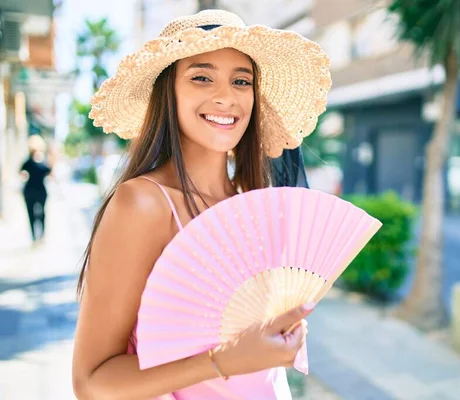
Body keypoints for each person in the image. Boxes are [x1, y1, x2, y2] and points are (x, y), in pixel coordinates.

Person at [72, 9, 331, 400]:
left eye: (241, 81)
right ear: (168, 92)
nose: (226, 96)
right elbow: (91, 382)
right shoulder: (145, 204)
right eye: (201, 77)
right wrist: (222, 361)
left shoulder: (250, 205)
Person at [20, 135, 52, 244]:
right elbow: (21, 172)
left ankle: (40, 235)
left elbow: (49, 172)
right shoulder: (28, 161)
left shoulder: (42, 160)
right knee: (32, 214)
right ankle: (35, 236)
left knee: (41, 213)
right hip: (31, 190)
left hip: (38, 190)